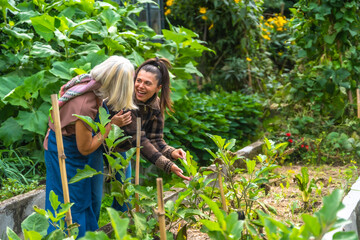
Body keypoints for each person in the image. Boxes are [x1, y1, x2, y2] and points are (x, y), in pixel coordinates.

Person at [43, 56, 136, 237]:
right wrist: (111, 125)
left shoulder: (92, 84)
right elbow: (85, 148)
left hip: (72, 145)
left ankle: (86, 234)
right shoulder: (86, 103)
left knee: (82, 197)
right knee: (70, 201)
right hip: (65, 152)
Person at [108, 57, 191, 211]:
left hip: (120, 152)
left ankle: (119, 231)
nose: (140, 86)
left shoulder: (156, 105)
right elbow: (138, 139)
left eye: (147, 83)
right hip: (99, 147)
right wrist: (167, 165)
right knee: (92, 198)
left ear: (158, 87)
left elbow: (155, 138)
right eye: (138, 81)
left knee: (124, 199)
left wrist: (172, 152)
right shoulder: (125, 98)